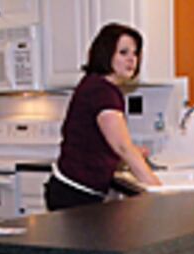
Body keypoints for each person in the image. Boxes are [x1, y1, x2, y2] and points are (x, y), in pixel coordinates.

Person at [45, 23, 161, 211]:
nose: (132, 59)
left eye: (135, 53)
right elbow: (122, 146)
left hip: (68, 189)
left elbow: (100, 141)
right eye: (123, 52)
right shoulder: (103, 92)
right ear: (106, 54)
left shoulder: (94, 85)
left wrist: (131, 153)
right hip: (75, 194)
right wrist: (158, 190)